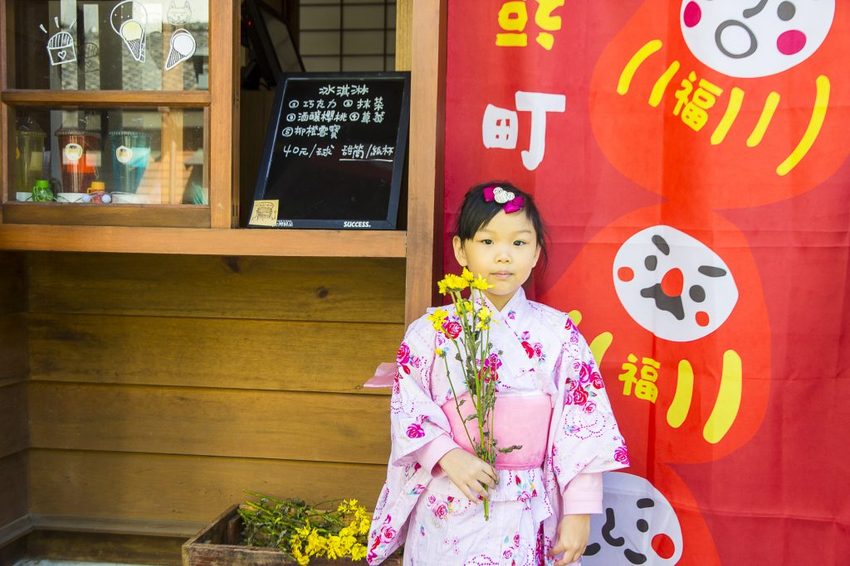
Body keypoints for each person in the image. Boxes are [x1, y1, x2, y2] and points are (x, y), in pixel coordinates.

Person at [367, 181, 629, 566]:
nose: (503, 256)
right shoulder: (431, 332)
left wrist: (578, 512)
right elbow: (409, 411)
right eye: (487, 242)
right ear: (461, 249)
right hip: (450, 493)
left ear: (537, 251)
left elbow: (584, 426)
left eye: (519, 243)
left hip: (523, 502)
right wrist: (447, 455)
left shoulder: (558, 333)